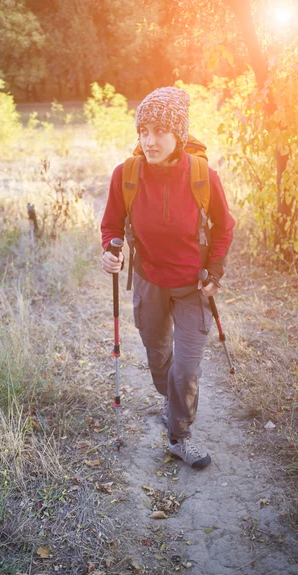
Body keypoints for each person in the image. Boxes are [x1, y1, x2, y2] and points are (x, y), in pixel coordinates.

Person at [101, 87, 235, 469]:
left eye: (160, 130)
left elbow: (225, 227)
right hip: (148, 279)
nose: (150, 139)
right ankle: (171, 401)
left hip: (193, 284)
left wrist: (217, 271)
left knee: (187, 367)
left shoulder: (202, 176)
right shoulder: (125, 175)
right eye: (144, 129)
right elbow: (111, 224)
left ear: (179, 134)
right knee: (159, 358)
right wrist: (112, 252)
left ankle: (179, 435)